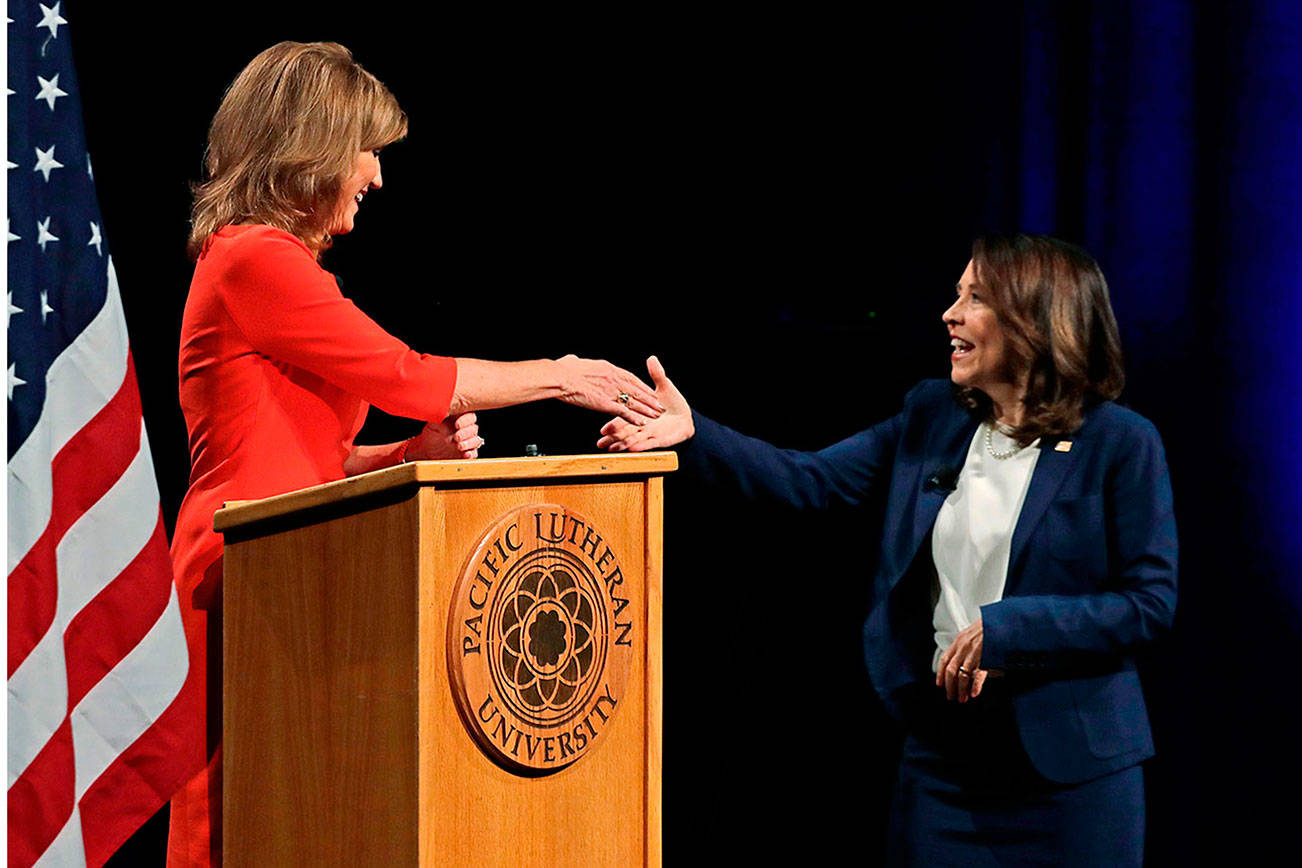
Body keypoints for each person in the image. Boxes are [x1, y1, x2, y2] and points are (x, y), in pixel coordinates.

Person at [168, 41, 664, 867]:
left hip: (291, 566)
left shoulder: (274, 264)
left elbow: (312, 460)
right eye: (367, 150)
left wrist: (410, 453)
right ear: (316, 148)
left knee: (293, 804)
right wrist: (560, 376)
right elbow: (407, 374)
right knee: (234, 814)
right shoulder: (254, 259)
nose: (377, 175)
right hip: (239, 574)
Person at [599, 234, 1177, 866]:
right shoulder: (933, 416)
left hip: (1075, 780)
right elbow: (807, 480)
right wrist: (692, 434)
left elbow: (1147, 604)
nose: (949, 314)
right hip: (945, 770)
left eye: (975, 298)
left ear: (1035, 320)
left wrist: (1008, 631)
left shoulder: (1121, 443)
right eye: (957, 295)